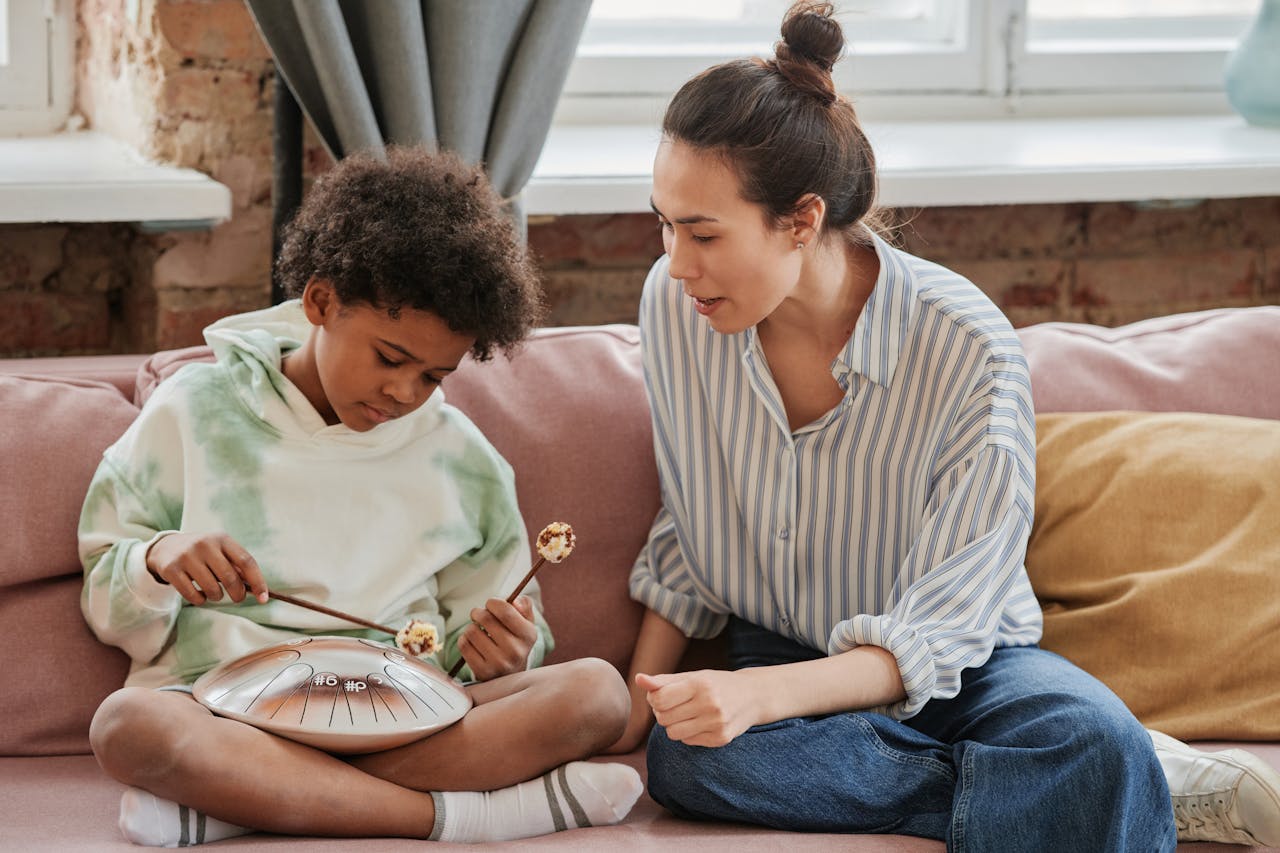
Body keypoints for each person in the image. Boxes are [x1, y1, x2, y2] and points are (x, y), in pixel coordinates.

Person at [604, 2, 1280, 849]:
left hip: (969, 666)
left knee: (1089, 738)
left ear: (803, 219)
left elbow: (951, 623)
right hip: (785, 652)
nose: (674, 260)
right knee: (686, 762)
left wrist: (761, 701)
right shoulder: (678, 308)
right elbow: (691, 522)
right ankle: (1116, 782)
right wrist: (640, 706)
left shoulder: (967, 346)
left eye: (702, 232)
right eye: (663, 222)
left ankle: (1106, 768)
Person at [80, 147, 640, 847]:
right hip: (229, 710)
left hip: (408, 712)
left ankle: (245, 800)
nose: (404, 394)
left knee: (596, 692)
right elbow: (107, 592)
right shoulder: (192, 409)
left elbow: (481, 638)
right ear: (321, 302)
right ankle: (464, 817)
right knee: (128, 724)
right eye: (390, 358)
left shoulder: (466, 461)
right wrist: (160, 558)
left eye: (433, 376)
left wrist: (505, 651)